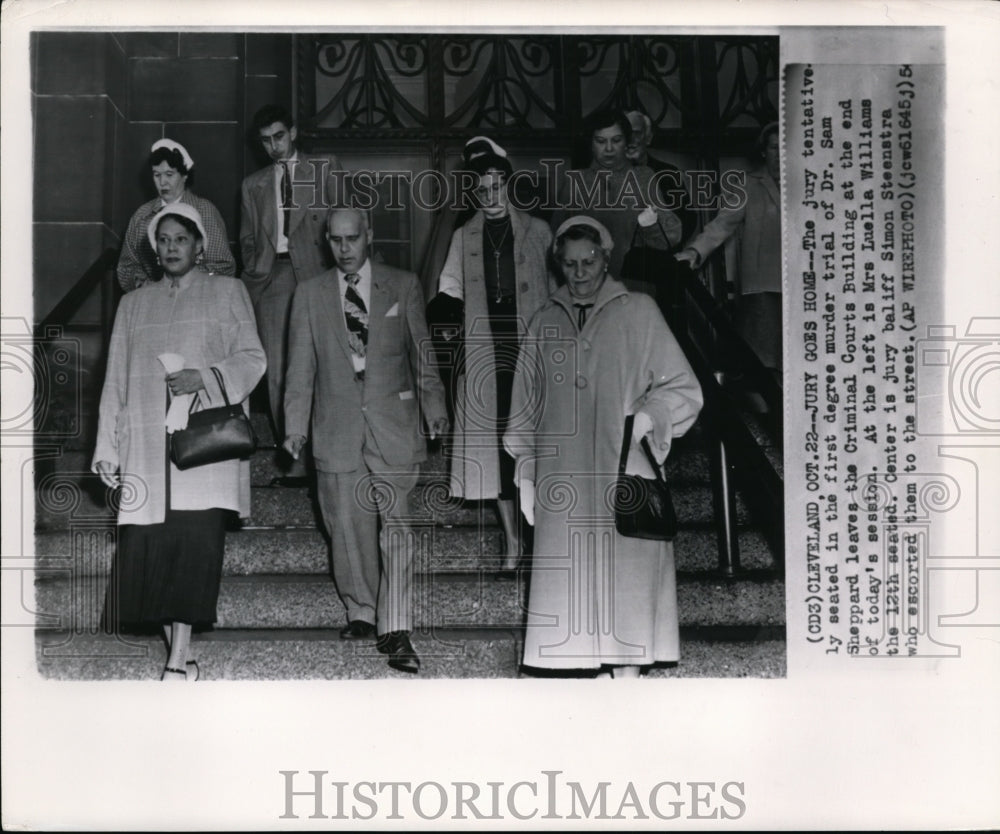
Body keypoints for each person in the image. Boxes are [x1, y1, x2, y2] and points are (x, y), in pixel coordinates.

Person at [504, 216, 702, 678]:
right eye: (570, 263)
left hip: (623, 473)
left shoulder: (640, 311)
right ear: (558, 264)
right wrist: (527, 472)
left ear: (605, 258)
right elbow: (523, 407)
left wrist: (649, 418)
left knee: (626, 587)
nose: (579, 272)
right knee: (572, 598)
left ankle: (627, 682)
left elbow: (684, 388)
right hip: (564, 481)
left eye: (589, 261)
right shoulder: (543, 320)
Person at [93, 202, 266, 681]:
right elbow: (115, 382)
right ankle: (183, 658)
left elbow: (253, 359)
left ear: (199, 245)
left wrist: (206, 376)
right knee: (150, 550)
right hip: (146, 449)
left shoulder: (228, 292)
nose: (171, 248)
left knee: (191, 551)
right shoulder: (134, 304)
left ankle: (175, 661)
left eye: (181, 240)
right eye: (164, 240)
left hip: (203, 449)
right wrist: (107, 447)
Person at [283, 208, 449, 674]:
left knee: (395, 526)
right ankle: (362, 608)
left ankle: (395, 627)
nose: (344, 248)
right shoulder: (310, 294)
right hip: (336, 424)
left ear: (369, 236)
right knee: (348, 525)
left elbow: (422, 353)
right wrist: (295, 426)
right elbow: (299, 370)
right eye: (335, 240)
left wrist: (435, 407)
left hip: (393, 422)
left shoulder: (403, 284)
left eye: (352, 238)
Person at [436, 136, 556, 570]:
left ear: (508, 185)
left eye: (496, 187)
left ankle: (542, 535)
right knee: (496, 449)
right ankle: (511, 543)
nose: (489, 197)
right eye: (481, 190)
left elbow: (561, 291)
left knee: (536, 444)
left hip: (532, 351)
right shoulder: (464, 235)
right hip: (488, 351)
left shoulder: (539, 231)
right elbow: (448, 289)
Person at [240, 104, 343, 485]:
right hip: (275, 278)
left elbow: (348, 218)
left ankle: (329, 456)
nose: (273, 146)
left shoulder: (326, 168)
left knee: (328, 367)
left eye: (279, 137)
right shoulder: (253, 185)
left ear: (294, 132)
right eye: (265, 140)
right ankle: (295, 462)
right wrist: (258, 271)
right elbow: (247, 240)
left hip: (320, 274)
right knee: (280, 374)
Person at [675, 122, 782, 377]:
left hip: (805, 290)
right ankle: (768, 416)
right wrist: (694, 252)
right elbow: (721, 225)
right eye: (775, 147)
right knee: (763, 363)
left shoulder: (813, 184)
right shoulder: (746, 185)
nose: (781, 154)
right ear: (764, 151)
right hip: (763, 289)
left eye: (787, 147)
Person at [550, 108, 683, 297]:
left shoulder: (643, 178)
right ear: (591, 143)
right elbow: (555, 246)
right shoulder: (574, 182)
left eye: (617, 140)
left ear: (627, 142)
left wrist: (650, 224)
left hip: (635, 292)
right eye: (601, 141)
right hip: (586, 292)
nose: (609, 149)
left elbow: (670, 239)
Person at [117, 139, 236, 292]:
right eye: (156, 175)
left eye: (169, 174)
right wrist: (147, 287)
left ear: (184, 176)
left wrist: (187, 285)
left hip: (198, 299)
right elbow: (126, 267)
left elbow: (224, 266)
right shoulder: (141, 216)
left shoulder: (204, 210)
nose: (162, 182)